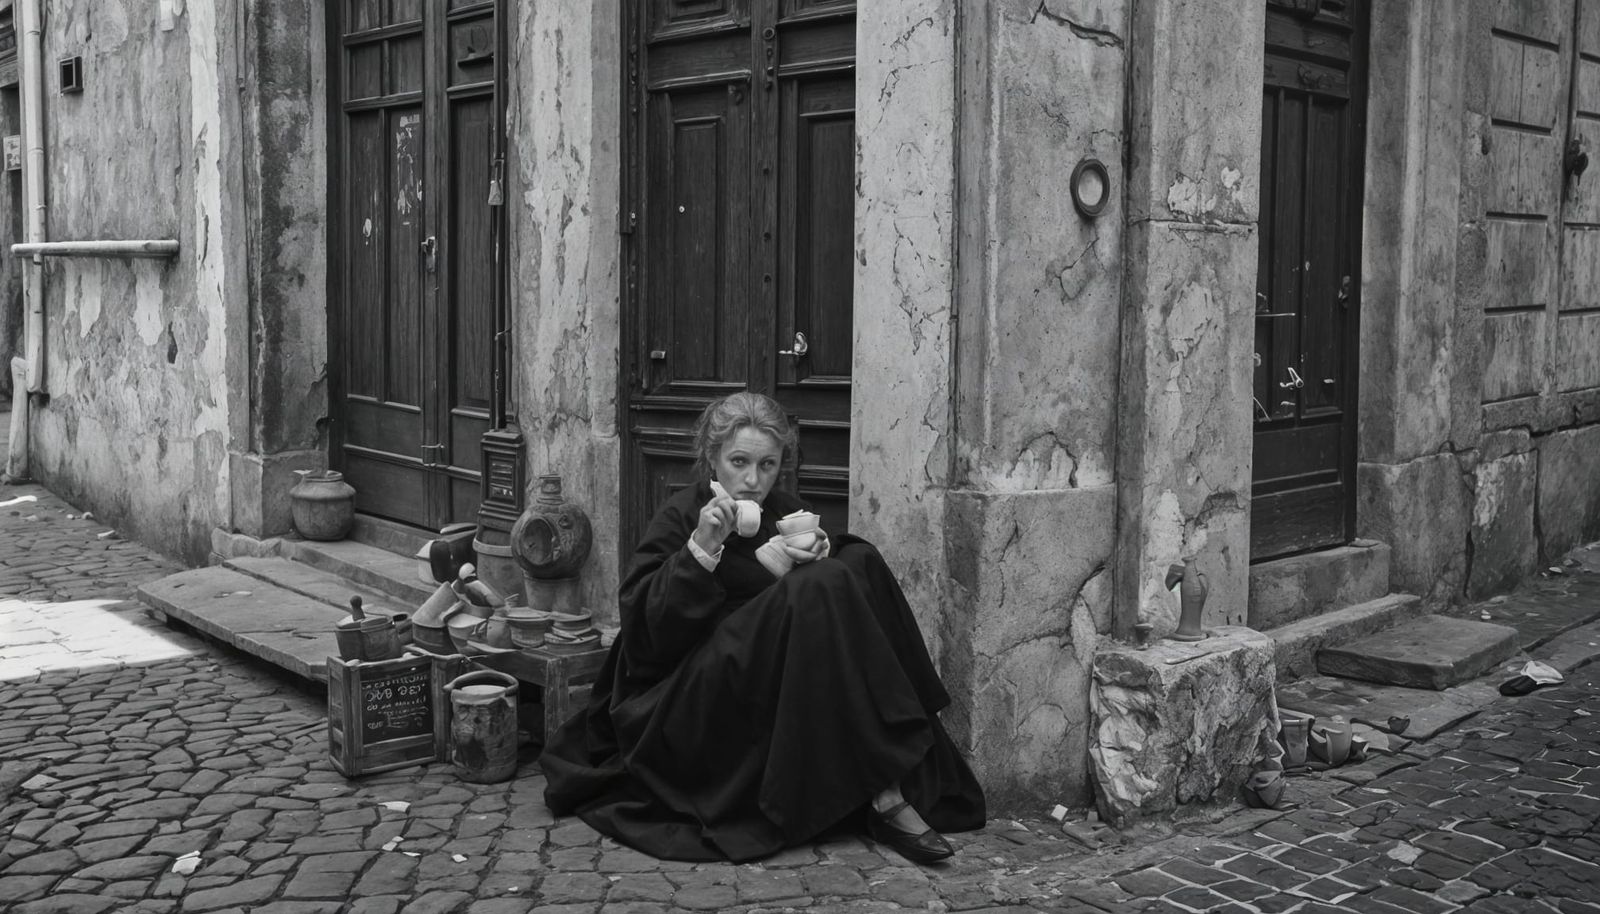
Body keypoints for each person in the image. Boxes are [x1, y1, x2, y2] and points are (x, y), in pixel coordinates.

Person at [540, 392, 985, 863]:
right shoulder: (682, 515)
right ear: (713, 458)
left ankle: (895, 771)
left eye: (767, 465)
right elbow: (647, 636)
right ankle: (886, 793)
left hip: (768, 675)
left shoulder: (783, 512)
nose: (753, 481)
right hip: (690, 689)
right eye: (739, 462)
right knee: (826, 581)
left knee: (857, 560)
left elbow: (813, 607)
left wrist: (818, 553)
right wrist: (702, 549)